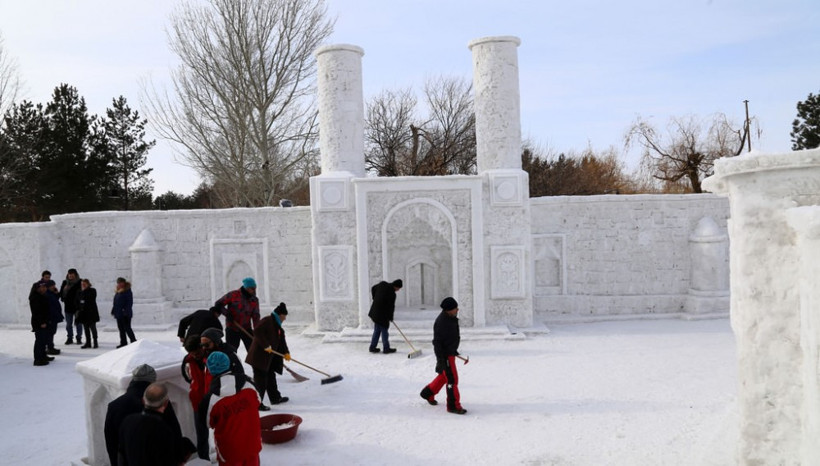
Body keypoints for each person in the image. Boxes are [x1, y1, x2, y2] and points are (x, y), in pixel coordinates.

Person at [104, 364, 186, 466]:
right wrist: (179, 458)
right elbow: (174, 431)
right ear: (151, 382)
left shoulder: (114, 406)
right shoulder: (159, 402)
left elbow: (111, 442)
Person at [197, 351, 262, 465]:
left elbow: (207, 423)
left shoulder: (211, 399)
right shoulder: (249, 384)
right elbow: (258, 401)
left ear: (210, 371)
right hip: (252, 443)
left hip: (229, 451)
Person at [118, 382, 196, 466]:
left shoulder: (128, 421)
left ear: (143, 401)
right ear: (166, 404)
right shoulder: (161, 429)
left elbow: (121, 455)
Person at [419, 297, 467, 415]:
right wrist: (441, 360)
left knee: (444, 376)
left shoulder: (450, 318)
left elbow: (450, 338)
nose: (457, 310)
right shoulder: (442, 322)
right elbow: (437, 342)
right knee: (452, 379)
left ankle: (428, 393)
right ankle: (453, 405)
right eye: (455, 308)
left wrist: (454, 350)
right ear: (449, 310)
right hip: (445, 356)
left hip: (450, 353)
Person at [246, 303, 291, 407]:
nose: (285, 319)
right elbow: (257, 331)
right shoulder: (267, 321)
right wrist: (265, 345)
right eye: (284, 316)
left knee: (271, 378)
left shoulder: (278, 326)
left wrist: (286, 353)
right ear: (280, 315)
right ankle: (257, 404)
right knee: (260, 381)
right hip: (259, 357)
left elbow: (282, 341)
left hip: (268, 359)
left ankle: (275, 398)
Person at [214, 277, 260, 352]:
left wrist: (257, 332)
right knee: (231, 352)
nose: (254, 290)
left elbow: (256, 317)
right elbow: (218, 304)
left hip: (246, 328)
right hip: (232, 328)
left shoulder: (254, 300)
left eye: (255, 288)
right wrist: (227, 314)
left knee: (254, 352)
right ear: (247, 288)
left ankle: (257, 363)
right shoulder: (233, 295)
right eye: (252, 288)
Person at [368, 279, 403, 354]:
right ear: (396, 286)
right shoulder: (392, 294)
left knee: (377, 330)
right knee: (384, 331)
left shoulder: (382, 284)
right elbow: (391, 307)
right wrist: (390, 317)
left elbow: (373, 288)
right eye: (398, 288)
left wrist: (375, 299)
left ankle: (372, 347)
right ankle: (386, 348)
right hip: (382, 315)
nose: (398, 290)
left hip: (375, 312)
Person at [181, 334, 211, 414]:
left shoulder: (211, 359)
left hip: (211, 399)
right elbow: (186, 375)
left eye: (197, 353)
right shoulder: (188, 361)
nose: (195, 356)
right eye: (192, 354)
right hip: (197, 400)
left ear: (202, 348)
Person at [29, 280, 52, 366]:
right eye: (42, 287)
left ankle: (43, 356)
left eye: (45, 287)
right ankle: (38, 359)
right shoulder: (35, 297)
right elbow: (36, 312)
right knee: (40, 341)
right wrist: (42, 322)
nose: (44, 288)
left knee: (44, 340)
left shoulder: (42, 296)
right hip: (39, 323)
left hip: (44, 321)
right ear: (38, 288)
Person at [42, 272, 63, 355]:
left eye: (54, 285)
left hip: (54, 316)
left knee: (52, 332)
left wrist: (57, 294)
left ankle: (51, 347)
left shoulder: (52, 293)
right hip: (50, 317)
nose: (54, 287)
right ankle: (49, 348)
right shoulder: (47, 294)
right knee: (50, 333)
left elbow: (55, 301)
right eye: (52, 286)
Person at [60, 268, 83, 345]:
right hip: (68, 306)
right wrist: (64, 292)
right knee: (68, 324)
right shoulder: (65, 283)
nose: (70, 276)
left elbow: (83, 293)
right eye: (69, 275)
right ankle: (69, 338)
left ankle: (79, 338)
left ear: (75, 275)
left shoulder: (80, 282)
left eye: (72, 275)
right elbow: (61, 294)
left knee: (78, 323)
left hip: (77, 307)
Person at [112, 277, 136, 348]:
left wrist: (125, 311)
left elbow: (129, 303)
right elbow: (116, 302)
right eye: (118, 283)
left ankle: (133, 341)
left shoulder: (127, 291)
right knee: (121, 329)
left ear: (124, 283)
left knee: (127, 328)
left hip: (125, 314)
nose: (119, 284)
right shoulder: (118, 292)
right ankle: (123, 342)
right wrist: (113, 310)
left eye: (121, 283)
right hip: (118, 313)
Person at [77, 278, 100, 349]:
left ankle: (95, 341)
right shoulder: (80, 292)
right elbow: (79, 301)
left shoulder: (92, 290)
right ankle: (88, 342)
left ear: (88, 284)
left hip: (91, 312)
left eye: (84, 284)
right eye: (82, 284)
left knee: (93, 328)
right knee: (86, 328)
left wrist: (83, 297)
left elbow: (90, 299)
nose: (83, 285)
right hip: (84, 313)